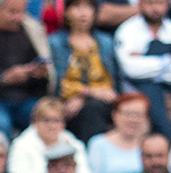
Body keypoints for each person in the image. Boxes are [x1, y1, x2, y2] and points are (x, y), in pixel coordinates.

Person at [113, 0, 171, 137]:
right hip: (138, 97)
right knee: (137, 131)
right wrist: (168, 60)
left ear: (168, 4)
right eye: (150, 3)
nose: (155, 8)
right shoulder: (127, 30)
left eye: (160, 3)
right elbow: (130, 69)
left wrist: (144, 60)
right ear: (140, 4)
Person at [0, 0, 53, 136]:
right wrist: (4, 79)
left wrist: (39, 74)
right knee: (1, 124)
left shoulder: (32, 28)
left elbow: (45, 80)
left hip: (27, 98)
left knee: (48, 119)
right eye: (12, 12)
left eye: (21, 12)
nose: (18, 17)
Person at [49, 0, 119, 142]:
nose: (83, 12)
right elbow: (57, 83)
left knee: (92, 109)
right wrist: (86, 93)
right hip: (66, 101)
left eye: (88, 7)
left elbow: (110, 84)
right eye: (76, 6)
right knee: (85, 110)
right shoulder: (55, 42)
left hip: (101, 101)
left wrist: (85, 96)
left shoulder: (105, 42)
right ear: (66, 11)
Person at [9, 96, 98, 173]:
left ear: (63, 124)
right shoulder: (20, 144)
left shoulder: (74, 144)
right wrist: (54, 172)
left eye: (56, 120)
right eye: (46, 120)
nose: (52, 126)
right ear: (34, 122)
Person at [87, 92, 149, 173]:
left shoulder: (149, 146)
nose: (133, 119)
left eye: (138, 114)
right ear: (115, 115)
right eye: (127, 113)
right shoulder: (98, 144)